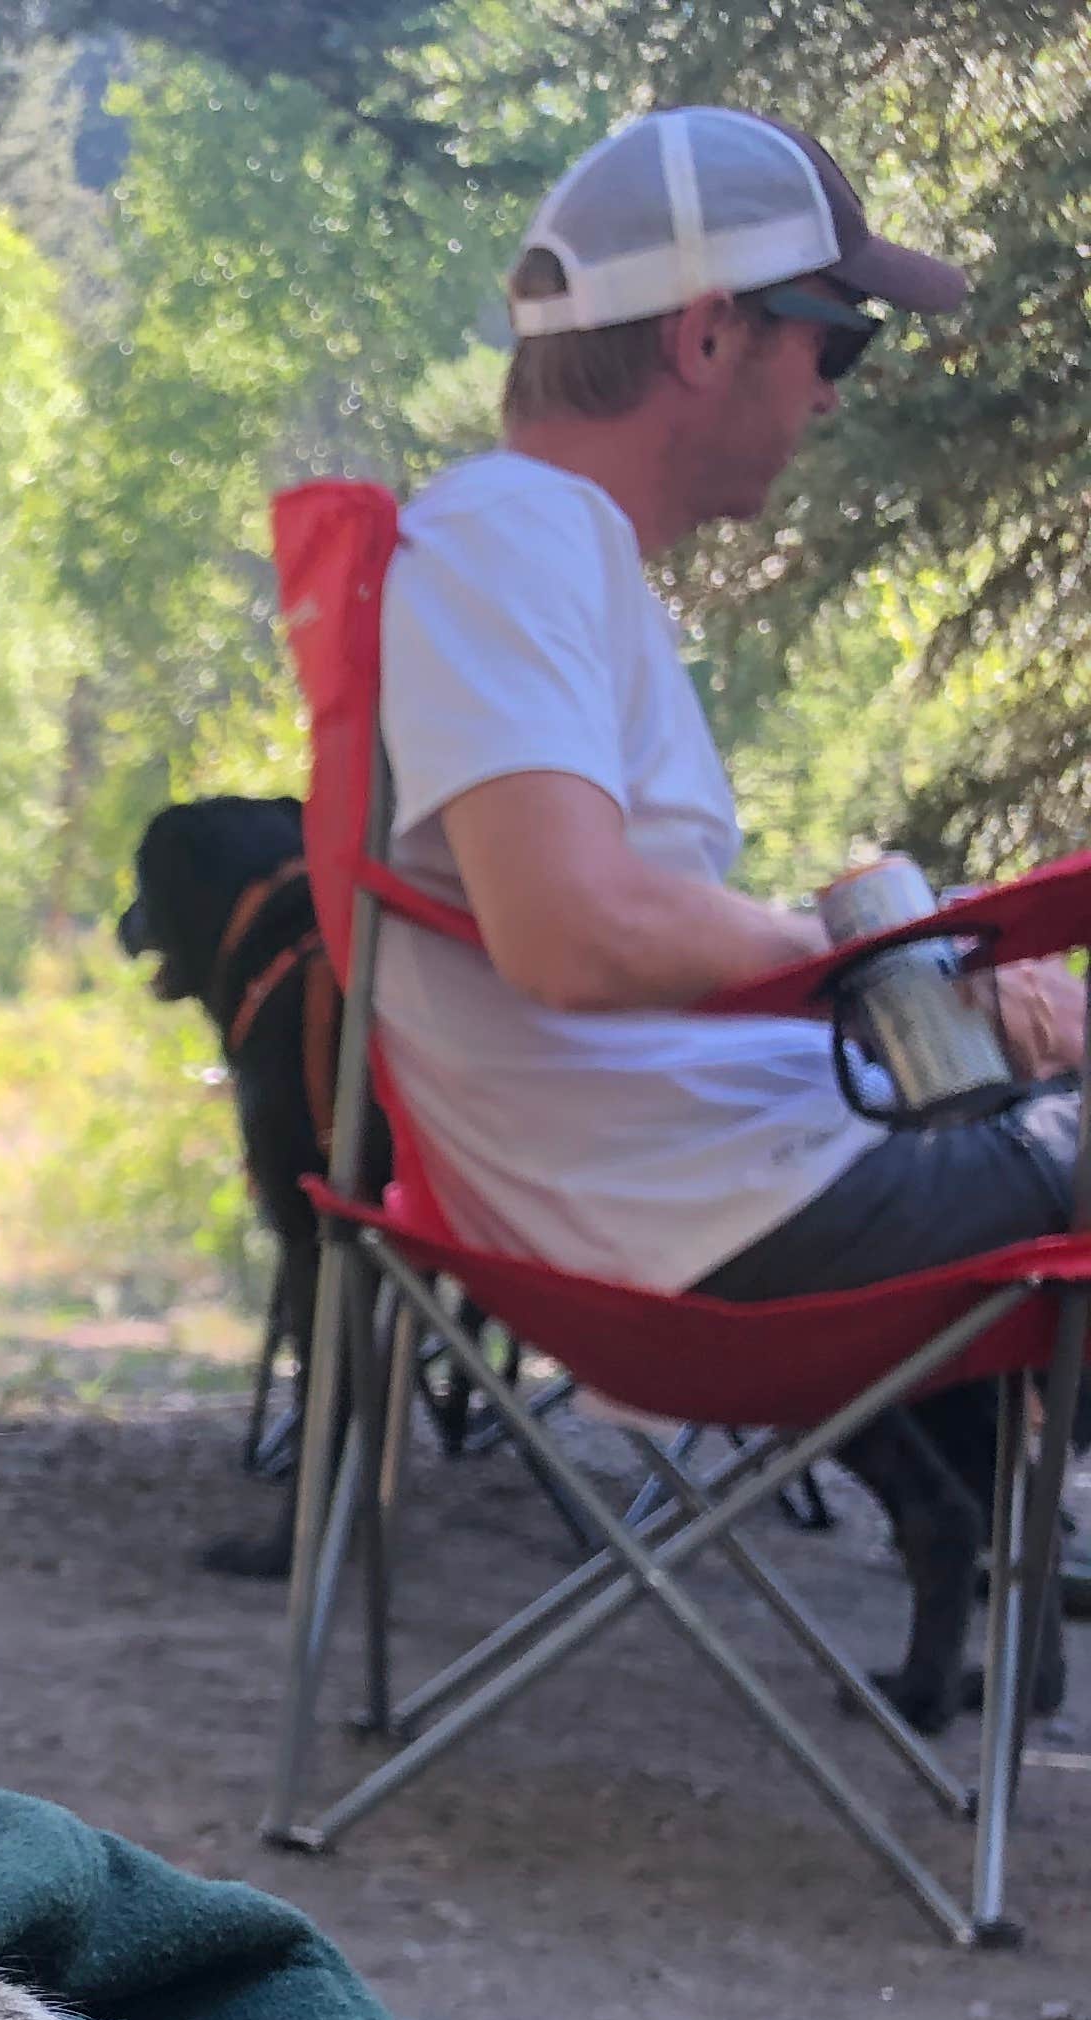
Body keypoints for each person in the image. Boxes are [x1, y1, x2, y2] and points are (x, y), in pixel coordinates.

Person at [376, 106, 1087, 1724]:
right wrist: (908, 970)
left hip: (734, 1191)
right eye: (839, 342)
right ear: (710, 333)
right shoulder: (512, 530)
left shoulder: (552, 555)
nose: (840, 393)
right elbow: (566, 924)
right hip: (725, 1226)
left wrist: (943, 987)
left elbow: (605, 918)